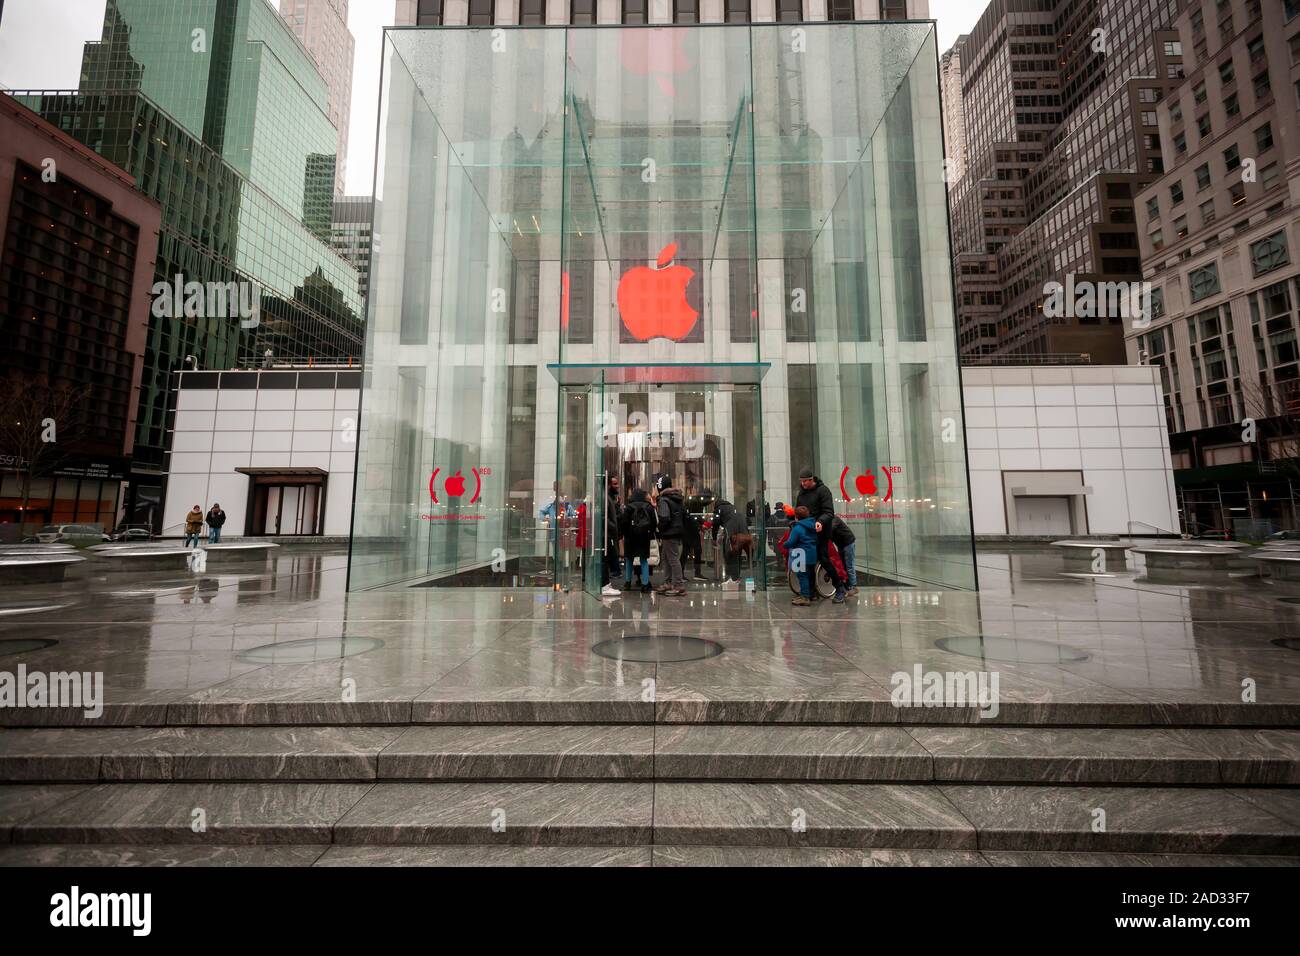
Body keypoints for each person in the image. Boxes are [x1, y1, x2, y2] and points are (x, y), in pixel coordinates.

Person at [796, 467, 845, 603]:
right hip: (807, 533)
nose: (803, 484)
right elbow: (799, 511)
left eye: (806, 481)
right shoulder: (801, 493)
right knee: (809, 563)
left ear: (812, 480)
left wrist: (820, 522)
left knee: (824, 559)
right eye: (801, 481)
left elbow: (829, 512)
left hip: (821, 532)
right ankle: (810, 592)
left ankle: (840, 588)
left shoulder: (823, 491)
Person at [653, 474, 686, 595]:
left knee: (672, 559)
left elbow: (664, 517)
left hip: (669, 533)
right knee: (666, 558)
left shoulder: (663, 499)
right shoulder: (676, 498)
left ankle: (678, 585)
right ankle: (667, 583)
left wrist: (659, 528)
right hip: (676, 531)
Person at [620, 487, 657, 593]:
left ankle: (627, 583)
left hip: (630, 537)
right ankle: (645, 584)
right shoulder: (649, 507)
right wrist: (650, 533)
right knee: (644, 560)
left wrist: (625, 534)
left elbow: (624, 523)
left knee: (629, 559)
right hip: (644, 537)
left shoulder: (629, 507)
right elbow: (654, 523)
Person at [784, 506, 819, 607]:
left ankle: (805, 597)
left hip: (801, 554)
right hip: (812, 553)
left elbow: (791, 542)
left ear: (796, 516)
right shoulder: (812, 525)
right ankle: (807, 594)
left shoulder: (798, 528)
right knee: (808, 575)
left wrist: (784, 544)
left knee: (802, 576)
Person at [711, 499, 753, 581]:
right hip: (743, 526)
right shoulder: (732, 507)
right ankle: (737, 575)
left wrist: (714, 537)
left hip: (731, 528)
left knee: (730, 551)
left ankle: (732, 577)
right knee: (738, 550)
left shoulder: (719, 509)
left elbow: (715, 523)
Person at [600, 476, 623, 598]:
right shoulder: (605, 497)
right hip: (606, 533)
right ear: (608, 485)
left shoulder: (608, 497)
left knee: (607, 558)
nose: (617, 486)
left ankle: (606, 584)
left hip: (608, 532)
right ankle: (604, 585)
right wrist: (613, 526)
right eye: (614, 484)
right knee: (605, 558)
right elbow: (604, 517)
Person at [830, 515, 858, 596]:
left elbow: (831, 529)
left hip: (848, 543)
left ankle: (853, 587)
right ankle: (848, 586)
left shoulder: (834, 519)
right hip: (841, 544)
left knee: (849, 565)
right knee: (843, 565)